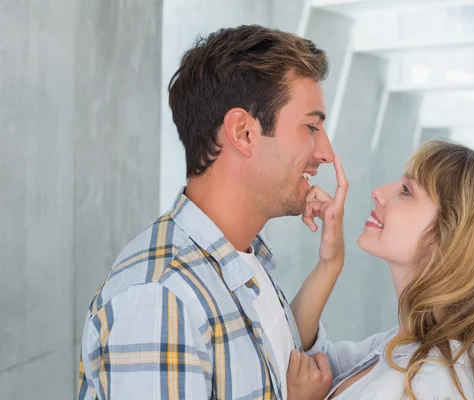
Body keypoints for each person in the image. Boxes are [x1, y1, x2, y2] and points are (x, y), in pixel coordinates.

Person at [77, 25, 351, 400]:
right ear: (243, 133)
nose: (326, 152)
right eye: (311, 127)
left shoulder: (242, 259)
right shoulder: (162, 299)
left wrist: (330, 263)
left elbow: (280, 358)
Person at [288, 139, 474, 399]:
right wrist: (330, 262)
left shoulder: (428, 385)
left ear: (450, 238)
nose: (379, 193)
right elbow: (304, 358)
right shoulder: (405, 348)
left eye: (406, 191)